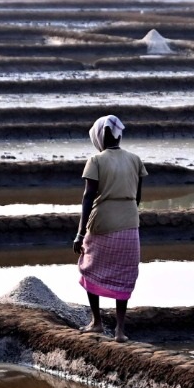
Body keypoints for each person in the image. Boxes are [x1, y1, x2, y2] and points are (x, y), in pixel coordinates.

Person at [73, 115, 147, 342]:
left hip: (103, 221)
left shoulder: (95, 160)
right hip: (129, 222)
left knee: (90, 267)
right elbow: (138, 197)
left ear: (99, 136)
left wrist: (80, 233)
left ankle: (96, 322)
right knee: (124, 274)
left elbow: (88, 198)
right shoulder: (135, 159)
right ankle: (120, 331)